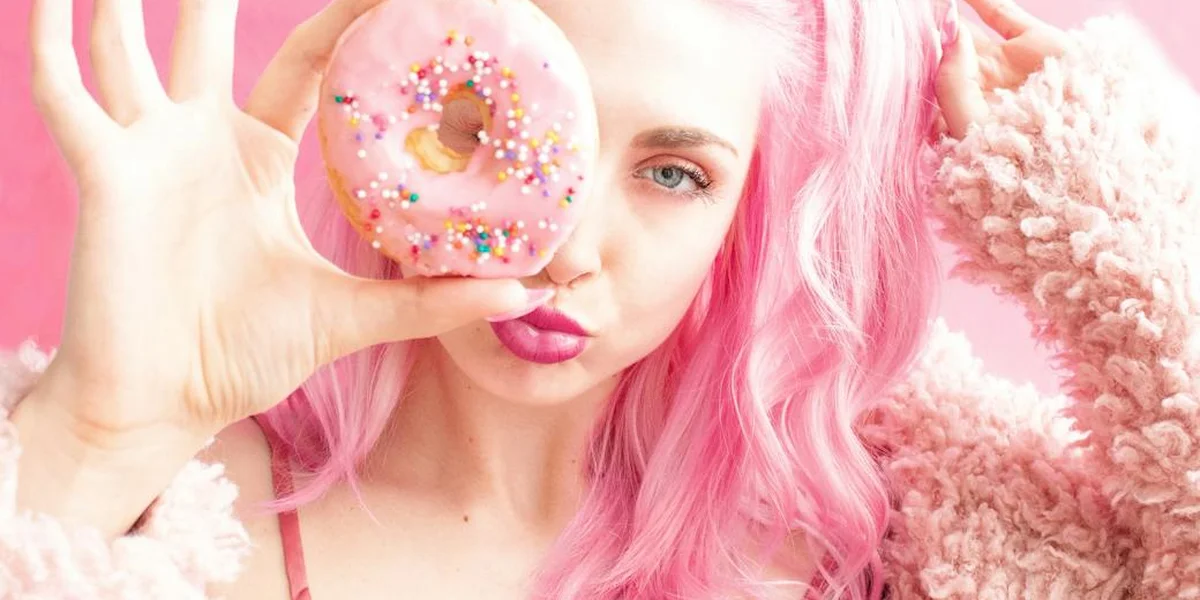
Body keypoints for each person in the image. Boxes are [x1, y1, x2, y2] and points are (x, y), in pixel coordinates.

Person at [2, 0, 1197, 597]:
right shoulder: (178, 517)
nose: (565, 244)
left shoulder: (893, 539)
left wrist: (1122, 215)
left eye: (673, 174)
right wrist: (93, 441)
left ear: (749, 212)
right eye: (484, 131)